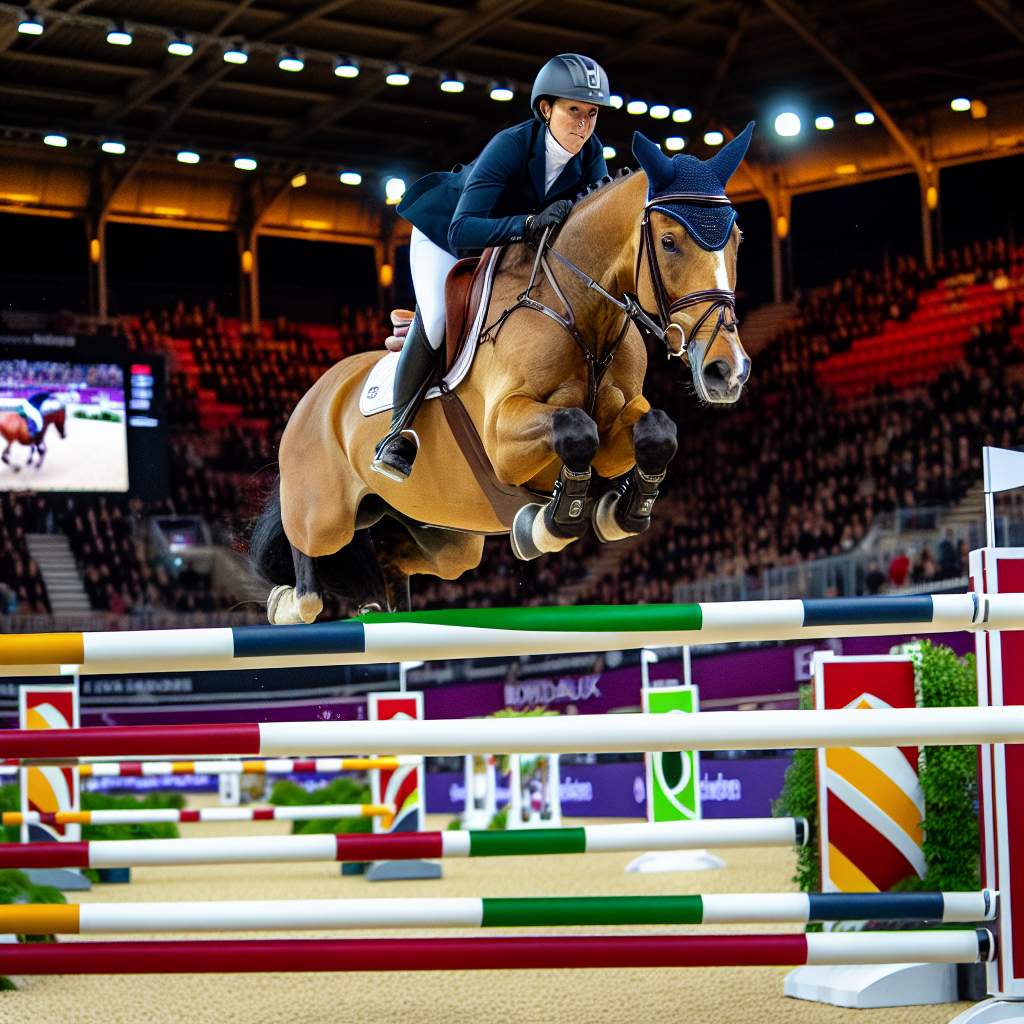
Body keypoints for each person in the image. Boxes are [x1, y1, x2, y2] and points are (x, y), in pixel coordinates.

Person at [371, 53, 615, 482]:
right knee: (440, 317)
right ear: (546, 109)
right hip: (445, 234)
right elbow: (463, 230)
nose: (583, 124)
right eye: (573, 111)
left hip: (510, 246)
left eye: (591, 114)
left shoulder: (591, 154)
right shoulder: (512, 145)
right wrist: (527, 223)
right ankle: (398, 432)